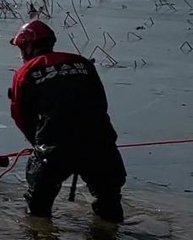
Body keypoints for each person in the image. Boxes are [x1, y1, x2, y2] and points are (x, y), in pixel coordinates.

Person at [7, 20, 126, 223]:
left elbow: (21, 116)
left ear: (28, 47)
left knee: (38, 206)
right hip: (100, 142)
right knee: (110, 200)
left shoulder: (25, 74)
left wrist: (38, 144)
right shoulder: (82, 63)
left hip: (55, 149)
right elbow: (100, 103)